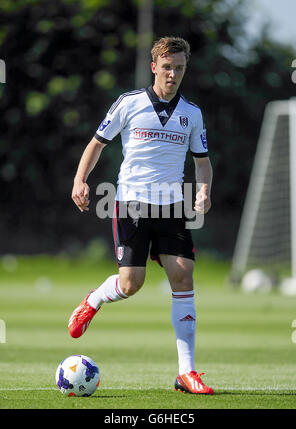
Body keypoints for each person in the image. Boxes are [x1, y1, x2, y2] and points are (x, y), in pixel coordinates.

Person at [69, 36, 214, 395]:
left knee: (183, 276)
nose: (173, 74)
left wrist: (204, 190)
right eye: (167, 67)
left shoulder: (191, 114)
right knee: (132, 283)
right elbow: (97, 143)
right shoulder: (129, 104)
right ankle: (94, 300)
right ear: (154, 67)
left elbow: (203, 162)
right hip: (132, 203)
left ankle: (187, 372)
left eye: (179, 68)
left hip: (172, 207)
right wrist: (80, 180)